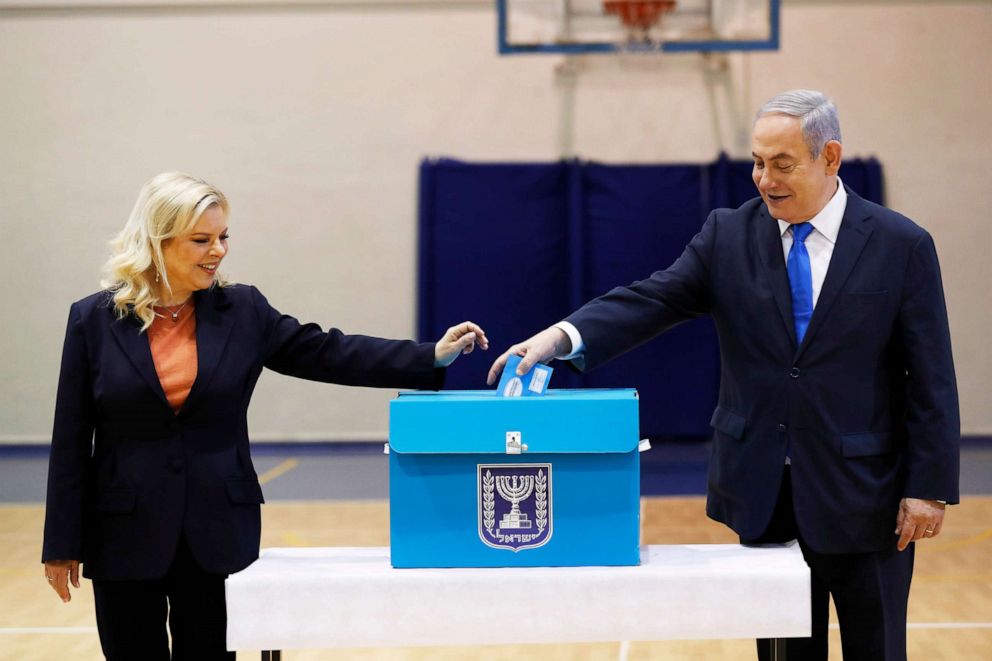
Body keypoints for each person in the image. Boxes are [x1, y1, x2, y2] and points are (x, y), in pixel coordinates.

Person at [487, 90, 959, 661]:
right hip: (765, 492)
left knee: (877, 649)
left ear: (830, 157)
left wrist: (927, 487)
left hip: (868, 495)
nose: (764, 179)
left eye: (782, 164)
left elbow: (931, 374)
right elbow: (651, 300)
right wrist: (561, 337)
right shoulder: (728, 234)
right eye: (757, 162)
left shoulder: (900, 244)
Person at [41, 171, 488, 660]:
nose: (219, 251)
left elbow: (328, 352)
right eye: (201, 240)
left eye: (223, 237)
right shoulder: (92, 320)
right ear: (158, 240)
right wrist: (61, 541)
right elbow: (71, 437)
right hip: (123, 535)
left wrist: (430, 357)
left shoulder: (244, 310)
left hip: (216, 533)